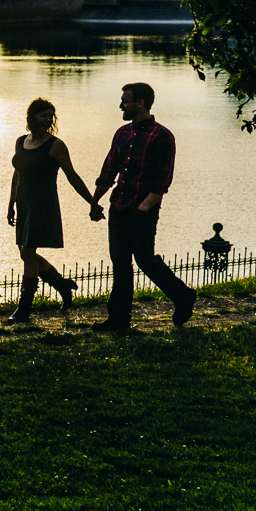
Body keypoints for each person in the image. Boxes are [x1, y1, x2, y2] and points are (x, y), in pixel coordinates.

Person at [90, 82, 197, 330]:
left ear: (140, 103)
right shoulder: (122, 133)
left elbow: (162, 181)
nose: (121, 105)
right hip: (119, 206)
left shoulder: (162, 136)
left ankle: (183, 296)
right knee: (120, 263)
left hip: (142, 210)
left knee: (145, 260)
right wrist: (95, 201)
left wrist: (144, 208)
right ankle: (118, 318)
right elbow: (109, 170)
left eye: (125, 101)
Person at [4, 98, 99, 322]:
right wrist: (11, 204)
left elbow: (72, 176)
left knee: (27, 252)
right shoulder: (21, 141)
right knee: (24, 253)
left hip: (42, 204)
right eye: (43, 115)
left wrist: (92, 202)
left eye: (50, 116)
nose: (48, 120)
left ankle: (24, 308)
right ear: (32, 117)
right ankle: (62, 285)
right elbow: (17, 174)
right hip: (24, 203)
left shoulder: (55, 145)